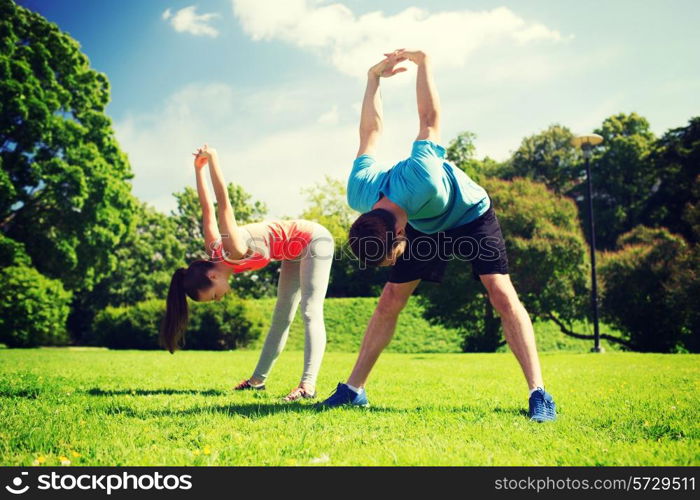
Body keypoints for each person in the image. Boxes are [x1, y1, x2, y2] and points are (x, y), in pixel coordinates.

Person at [318, 49, 556, 422]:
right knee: (389, 299)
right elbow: (370, 132)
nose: (392, 261)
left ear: (399, 233)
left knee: (500, 292)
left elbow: (429, 119)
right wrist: (372, 79)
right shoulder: (360, 192)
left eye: (391, 254)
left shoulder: (422, 175)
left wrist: (424, 62)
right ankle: (353, 391)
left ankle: (539, 394)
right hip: (424, 224)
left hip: (470, 214)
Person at [161, 145, 334, 402]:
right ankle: (257, 382)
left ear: (212, 277)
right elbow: (205, 208)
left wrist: (214, 159)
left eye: (213, 297)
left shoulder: (233, 247)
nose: (219, 299)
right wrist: (198, 171)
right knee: (281, 318)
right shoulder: (213, 249)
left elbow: (221, 204)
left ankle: (308, 386)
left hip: (312, 239)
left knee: (310, 310)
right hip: (292, 252)